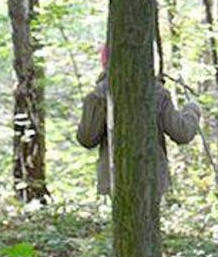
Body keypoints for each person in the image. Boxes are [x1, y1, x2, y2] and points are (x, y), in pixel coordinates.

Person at [76, 44, 200, 198]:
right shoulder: (155, 91)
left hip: (115, 180)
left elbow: (86, 139)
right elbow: (182, 132)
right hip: (151, 180)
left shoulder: (98, 95)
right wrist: (192, 108)